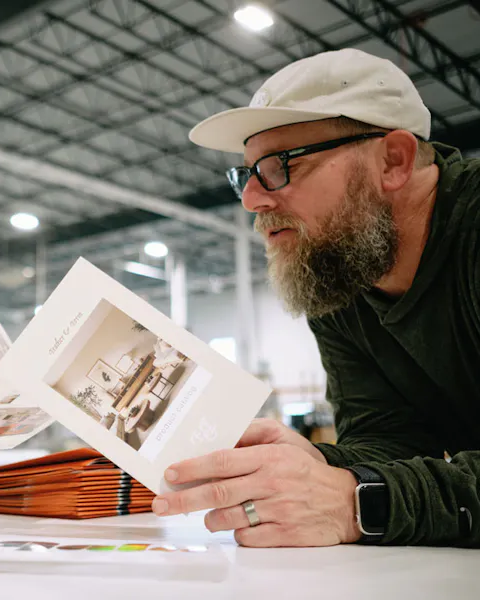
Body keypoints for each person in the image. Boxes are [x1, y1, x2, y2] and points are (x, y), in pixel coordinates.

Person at [150, 48, 479, 548]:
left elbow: (376, 490)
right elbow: (390, 440)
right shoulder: (339, 267)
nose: (251, 200)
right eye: (247, 174)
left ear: (393, 160)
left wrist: (360, 503)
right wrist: (313, 463)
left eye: (280, 166)